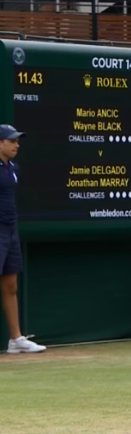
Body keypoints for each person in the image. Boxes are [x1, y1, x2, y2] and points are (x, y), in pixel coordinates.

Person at [0, 125, 45, 354]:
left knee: (10, 285)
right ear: (0, 143)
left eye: (17, 141)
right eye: (11, 141)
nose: (16, 145)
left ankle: (15, 339)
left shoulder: (12, 168)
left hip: (10, 229)